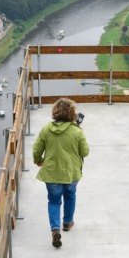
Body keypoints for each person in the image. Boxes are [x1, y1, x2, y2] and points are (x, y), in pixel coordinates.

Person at [32, 98, 89, 248]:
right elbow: (85, 151)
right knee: (70, 196)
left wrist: (39, 160)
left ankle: (55, 229)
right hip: (71, 173)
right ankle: (67, 223)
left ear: (55, 112)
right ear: (72, 113)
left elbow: (36, 149)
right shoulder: (77, 131)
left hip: (51, 173)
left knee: (54, 201)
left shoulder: (46, 129)